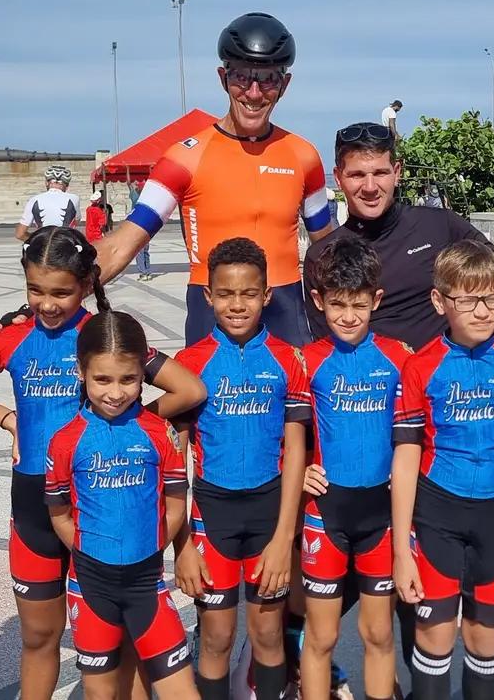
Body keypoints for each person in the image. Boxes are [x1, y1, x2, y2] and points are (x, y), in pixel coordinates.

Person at [302, 122, 494, 699]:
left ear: (398, 172)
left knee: (480, 573)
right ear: (339, 179)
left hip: (446, 424)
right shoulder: (325, 253)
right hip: (374, 435)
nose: (370, 184)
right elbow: (318, 363)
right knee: (404, 586)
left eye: (381, 171)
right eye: (357, 173)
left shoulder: (438, 224)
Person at [0, 227, 206, 700]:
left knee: (126, 640)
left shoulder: (102, 338)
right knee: (40, 637)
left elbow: (189, 389)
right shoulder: (11, 337)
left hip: (109, 508)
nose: (47, 303)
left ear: (87, 285)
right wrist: (9, 420)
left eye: (61, 292)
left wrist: (133, 420)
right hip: (37, 507)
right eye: (36, 289)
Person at [93, 12, 333, 346]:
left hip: (286, 313)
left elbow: (330, 250)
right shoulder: (183, 157)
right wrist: (53, 296)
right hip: (212, 313)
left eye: (268, 79)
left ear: (285, 85)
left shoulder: (303, 155)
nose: (253, 93)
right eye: (241, 78)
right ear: (223, 78)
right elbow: (124, 242)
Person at [392, 240, 494, 700]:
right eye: (467, 300)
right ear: (439, 301)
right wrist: (402, 550)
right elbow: (405, 458)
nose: (483, 311)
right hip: (436, 516)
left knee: (486, 639)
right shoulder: (420, 366)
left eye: (492, 298)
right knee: (435, 637)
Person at [173, 238, 310, 700]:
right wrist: (183, 545)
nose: (237, 304)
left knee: (268, 637)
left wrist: (282, 539)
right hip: (212, 515)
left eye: (249, 293)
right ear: (208, 295)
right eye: (226, 294)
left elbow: (295, 456)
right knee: (215, 638)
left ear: (267, 295)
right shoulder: (190, 365)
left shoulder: (289, 361)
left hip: (269, 514)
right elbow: (174, 466)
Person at [45, 310, 201, 700]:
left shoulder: (160, 433)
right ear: (80, 371)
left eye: (129, 379)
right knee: (101, 695)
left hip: (148, 583)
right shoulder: (65, 441)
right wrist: (87, 550)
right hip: (91, 585)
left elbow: (176, 502)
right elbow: (59, 513)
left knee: (183, 692)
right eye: (102, 379)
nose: (116, 392)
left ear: (142, 376)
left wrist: (150, 547)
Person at [299, 237, 412, 700]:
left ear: (376, 301)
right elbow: (282, 435)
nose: (348, 316)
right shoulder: (305, 360)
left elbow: (419, 435)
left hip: (380, 516)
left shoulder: (399, 358)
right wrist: (303, 467)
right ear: (318, 300)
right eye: (338, 305)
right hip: (325, 513)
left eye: (359, 305)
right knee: (322, 636)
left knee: (379, 635)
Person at [16, 164, 81, 241]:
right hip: (65, 243)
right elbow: (76, 221)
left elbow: (20, 234)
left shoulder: (34, 199)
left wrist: (36, 240)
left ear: (47, 183)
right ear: (67, 186)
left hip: (42, 244)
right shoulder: (74, 198)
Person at [128, 180, 154, 281]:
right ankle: (147, 272)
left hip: (137, 226)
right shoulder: (147, 198)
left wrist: (127, 170)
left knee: (139, 252)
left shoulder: (135, 196)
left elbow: (129, 184)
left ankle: (143, 273)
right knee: (146, 251)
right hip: (147, 227)